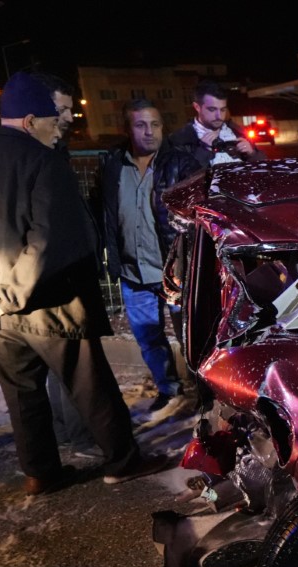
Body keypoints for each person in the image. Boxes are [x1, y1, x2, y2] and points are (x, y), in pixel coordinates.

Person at [0, 72, 165, 496]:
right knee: (91, 385)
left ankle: (40, 473)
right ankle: (122, 461)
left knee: (22, 395)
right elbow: (50, 240)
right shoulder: (44, 161)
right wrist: (10, 295)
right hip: (50, 303)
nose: (60, 126)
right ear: (30, 121)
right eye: (54, 119)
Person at [99, 99, 198, 417]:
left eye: (155, 124)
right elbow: (105, 213)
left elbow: (199, 214)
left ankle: (202, 392)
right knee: (148, 339)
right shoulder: (113, 164)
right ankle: (169, 390)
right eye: (141, 125)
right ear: (127, 128)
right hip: (133, 274)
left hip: (176, 274)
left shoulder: (181, 164)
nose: (149, 131)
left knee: (192, 337)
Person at [36, 74, 101, 457]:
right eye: (59, 108)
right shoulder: (39, 155)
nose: (67, 116)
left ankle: (67, 431)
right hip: (53, 273)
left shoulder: (54, 149)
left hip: (59, 269)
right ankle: (79, 435)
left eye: (69, 108)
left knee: (60, 362)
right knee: (69, 361)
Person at [163, 81, 265, 168]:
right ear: (197, 107)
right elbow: (179, 180)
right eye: (212, 109)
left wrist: (252, 154)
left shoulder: (237, 131)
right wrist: (203, 152)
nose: (219, 116)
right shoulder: (180, 140)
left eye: (223, 109)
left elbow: (263, 168)